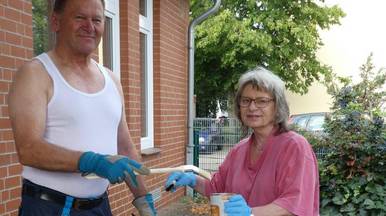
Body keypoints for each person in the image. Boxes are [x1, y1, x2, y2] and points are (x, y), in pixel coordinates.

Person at [8, 0, 156, 215]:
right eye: (80, 18)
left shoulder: (112, 80)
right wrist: (92, 161)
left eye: (97, 20)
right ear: (56, 22)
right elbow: (28, 149)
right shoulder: (35, 74)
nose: (90, 26)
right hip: (49, 207)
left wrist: (143, 200)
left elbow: (124, 147)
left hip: (100, 207)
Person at [165, 67, 319, 216]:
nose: (252, 107)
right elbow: (216, 188)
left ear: (277, 106)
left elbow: (294, 203)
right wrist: (191, 179)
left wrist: (251, 212)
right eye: (246, 100)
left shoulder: (295, 147)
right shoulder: (239, 150)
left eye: (261, 101)